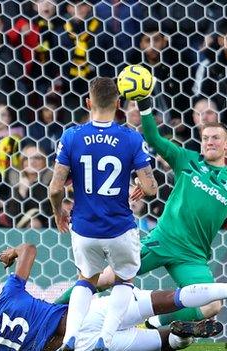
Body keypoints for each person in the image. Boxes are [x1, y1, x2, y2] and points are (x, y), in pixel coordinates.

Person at [58, 94, 227, 328]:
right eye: (205, 138)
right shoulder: (187, 160)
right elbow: (153, 138)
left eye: (216, 138)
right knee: (103, 279)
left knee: (212, 306)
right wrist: (144, 106)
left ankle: (155, 322)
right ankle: (49, 311)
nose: (209, 142)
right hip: (162, 241)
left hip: (193, 256)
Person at [0, 243, 227, 351]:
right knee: (170, 297)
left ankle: (179, 335)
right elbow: (30, 249)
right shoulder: (9, 296)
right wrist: (13, 253)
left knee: (162, 344)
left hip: (83, 346)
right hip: (88, 315)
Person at [49, 77, 158, 351]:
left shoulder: (71, 136)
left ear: (88, 102)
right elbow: (150, 187)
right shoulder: (131, 138)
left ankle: (71, 337)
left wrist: (58, 213)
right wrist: (140, 188)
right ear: (118, 104)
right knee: (124, 280)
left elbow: (54, 189)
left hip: (84, 229)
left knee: (85, 280)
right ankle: (104, 339)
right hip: (120, 228)